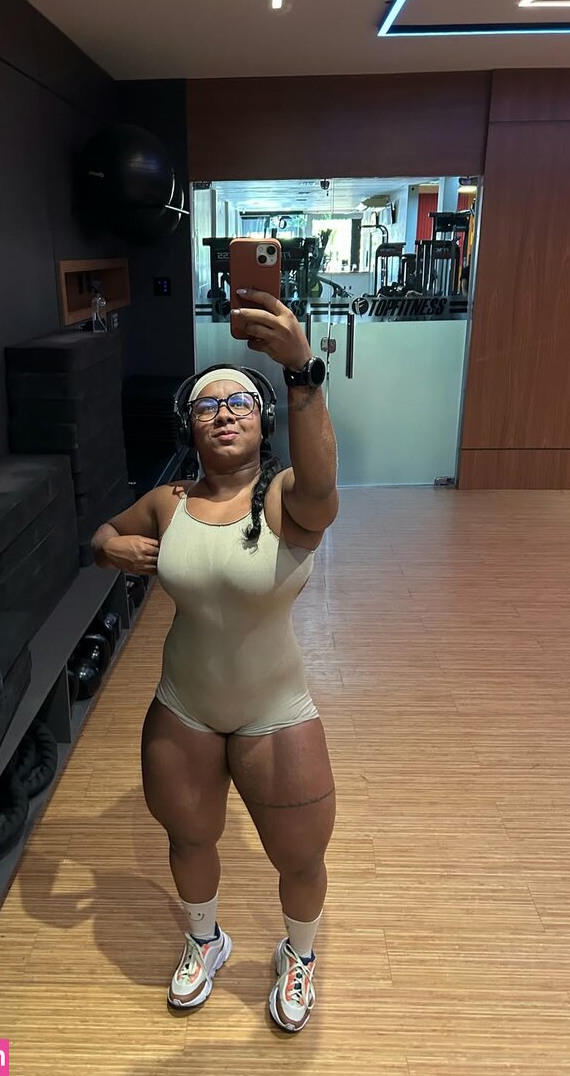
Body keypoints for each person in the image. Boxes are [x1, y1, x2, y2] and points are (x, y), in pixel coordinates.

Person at [91, 288, 339, 1033]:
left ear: (264, 421)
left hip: (274, 707)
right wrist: (110, 548)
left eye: (240, 402)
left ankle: (299, 954)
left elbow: (323, 485)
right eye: (208, 405)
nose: (225, 412)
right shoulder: (167, 501)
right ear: (190, 425)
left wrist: (301, 372)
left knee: (300, 855)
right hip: (185, 704)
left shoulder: (287, 498)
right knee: (188, 835)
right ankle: (207, 939)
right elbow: (102, 534)